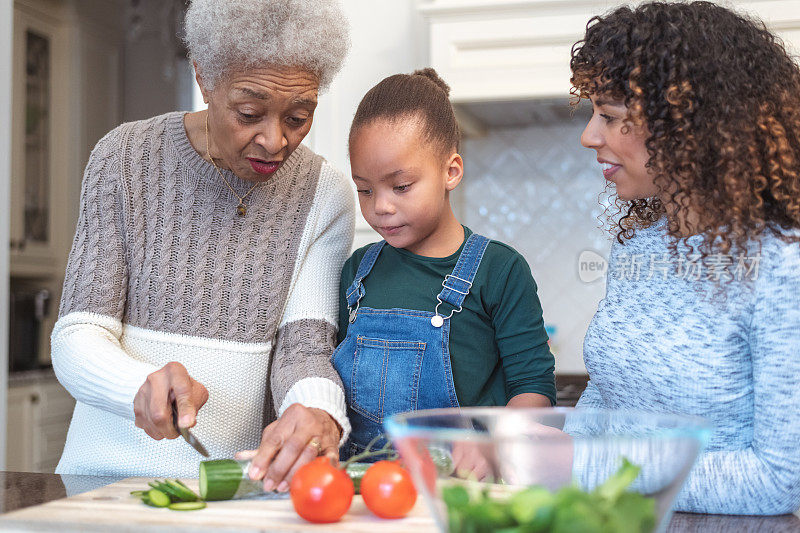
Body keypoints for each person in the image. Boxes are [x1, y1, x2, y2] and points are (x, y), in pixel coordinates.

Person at [51, 0, 353, 492]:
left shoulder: (325, 194)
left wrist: (317, 410)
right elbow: (75, 336)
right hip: (99, 476)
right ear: (204, 76)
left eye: (298, 117)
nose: (274, 140)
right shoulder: (124, 158)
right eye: (249, 112)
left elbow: (304, 348)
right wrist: (138, 385)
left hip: (233, 487)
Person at [571, 1, 800, 514]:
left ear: (687, 123)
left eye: (610, 117)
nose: (590, 136)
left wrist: (574, 469)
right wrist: (545, 460)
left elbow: (779, 479)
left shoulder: (783, 267)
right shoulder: (638, 243)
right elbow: (608, 398)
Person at [333, 68, 557, 462]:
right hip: (365, 489)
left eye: (400, 187)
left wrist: (494, 448)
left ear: (451, 171)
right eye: (364, 189)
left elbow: (534, 390)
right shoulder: (356, 272)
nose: (380, 206)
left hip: (464, 488)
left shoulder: (499, 270)